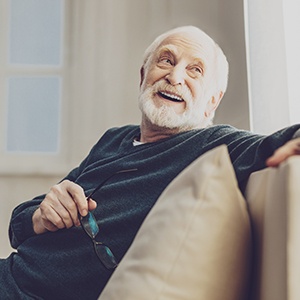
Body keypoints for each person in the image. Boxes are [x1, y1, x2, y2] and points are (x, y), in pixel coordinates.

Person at [1, 25, 300, 299]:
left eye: (195, 70)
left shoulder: (216, 145)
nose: (175, 76)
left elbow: (275, 143)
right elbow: (18, 227)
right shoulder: (114, 138)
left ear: (213, 101)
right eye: (166, 61)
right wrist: (40, 217)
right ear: (143, 76)